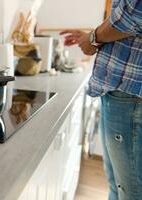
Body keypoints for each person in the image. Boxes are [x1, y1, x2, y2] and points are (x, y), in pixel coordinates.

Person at [60, 1, 142, 199]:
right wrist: (92, 36)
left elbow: (133, 14)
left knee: (130, 191)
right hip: (123, 92)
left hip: (129, 93)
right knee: (117, 184)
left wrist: (94, 38)